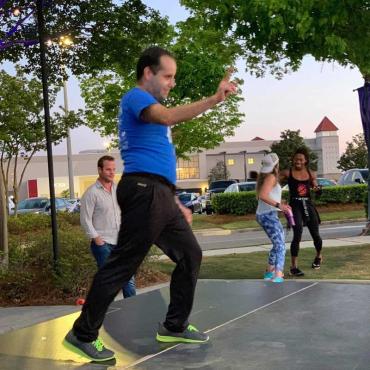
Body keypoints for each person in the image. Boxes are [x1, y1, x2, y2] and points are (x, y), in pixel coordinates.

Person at [64, 46, 237, 361]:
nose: (172, 83)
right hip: (143, 189)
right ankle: (83, 333)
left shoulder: (151, 104)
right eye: (167, 76)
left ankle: (174, 325)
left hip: (158, 193)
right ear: (148, 73)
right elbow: (168, 117)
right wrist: (214, 99)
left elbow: (158, 157)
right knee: (123, 264)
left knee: (190, 254)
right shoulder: (136, 98)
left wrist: (173, 201)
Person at [80, 155, 136, 299]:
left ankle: (134, 312)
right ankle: (101, 312)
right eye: (108, 169)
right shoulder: (91, 193)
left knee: (128, 280)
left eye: (113, 169)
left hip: (121, 243)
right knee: (108, 282)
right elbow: (85, 219)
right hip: (103, 244)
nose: (112, 172)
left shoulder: (119, 190)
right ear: (99, 170)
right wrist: (97, 239)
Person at [280, 147, 323, 277]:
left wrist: (318, 190)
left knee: (315, 233)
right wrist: (280, 200)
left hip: (308, 205)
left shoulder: (311, 173)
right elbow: (274, 184)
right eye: (296, 159)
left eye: (301, 159)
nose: (298, 161)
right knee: (297, 234)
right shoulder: (287, 173)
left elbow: (318, 191)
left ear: (305, 161)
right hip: (295, 206)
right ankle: (294, 267)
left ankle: (319, 256)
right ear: (293, 160)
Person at [256, 153, 291, 283]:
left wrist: (282, 205)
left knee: (277, 244)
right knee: (281, 245)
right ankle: (278, 274)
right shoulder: (271, 177)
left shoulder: (265, 177)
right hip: (268, 215)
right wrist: (279, 205)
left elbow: (269, 195)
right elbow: (263, 195)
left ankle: (269, 272)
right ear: (276, 164)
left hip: (264, 214)